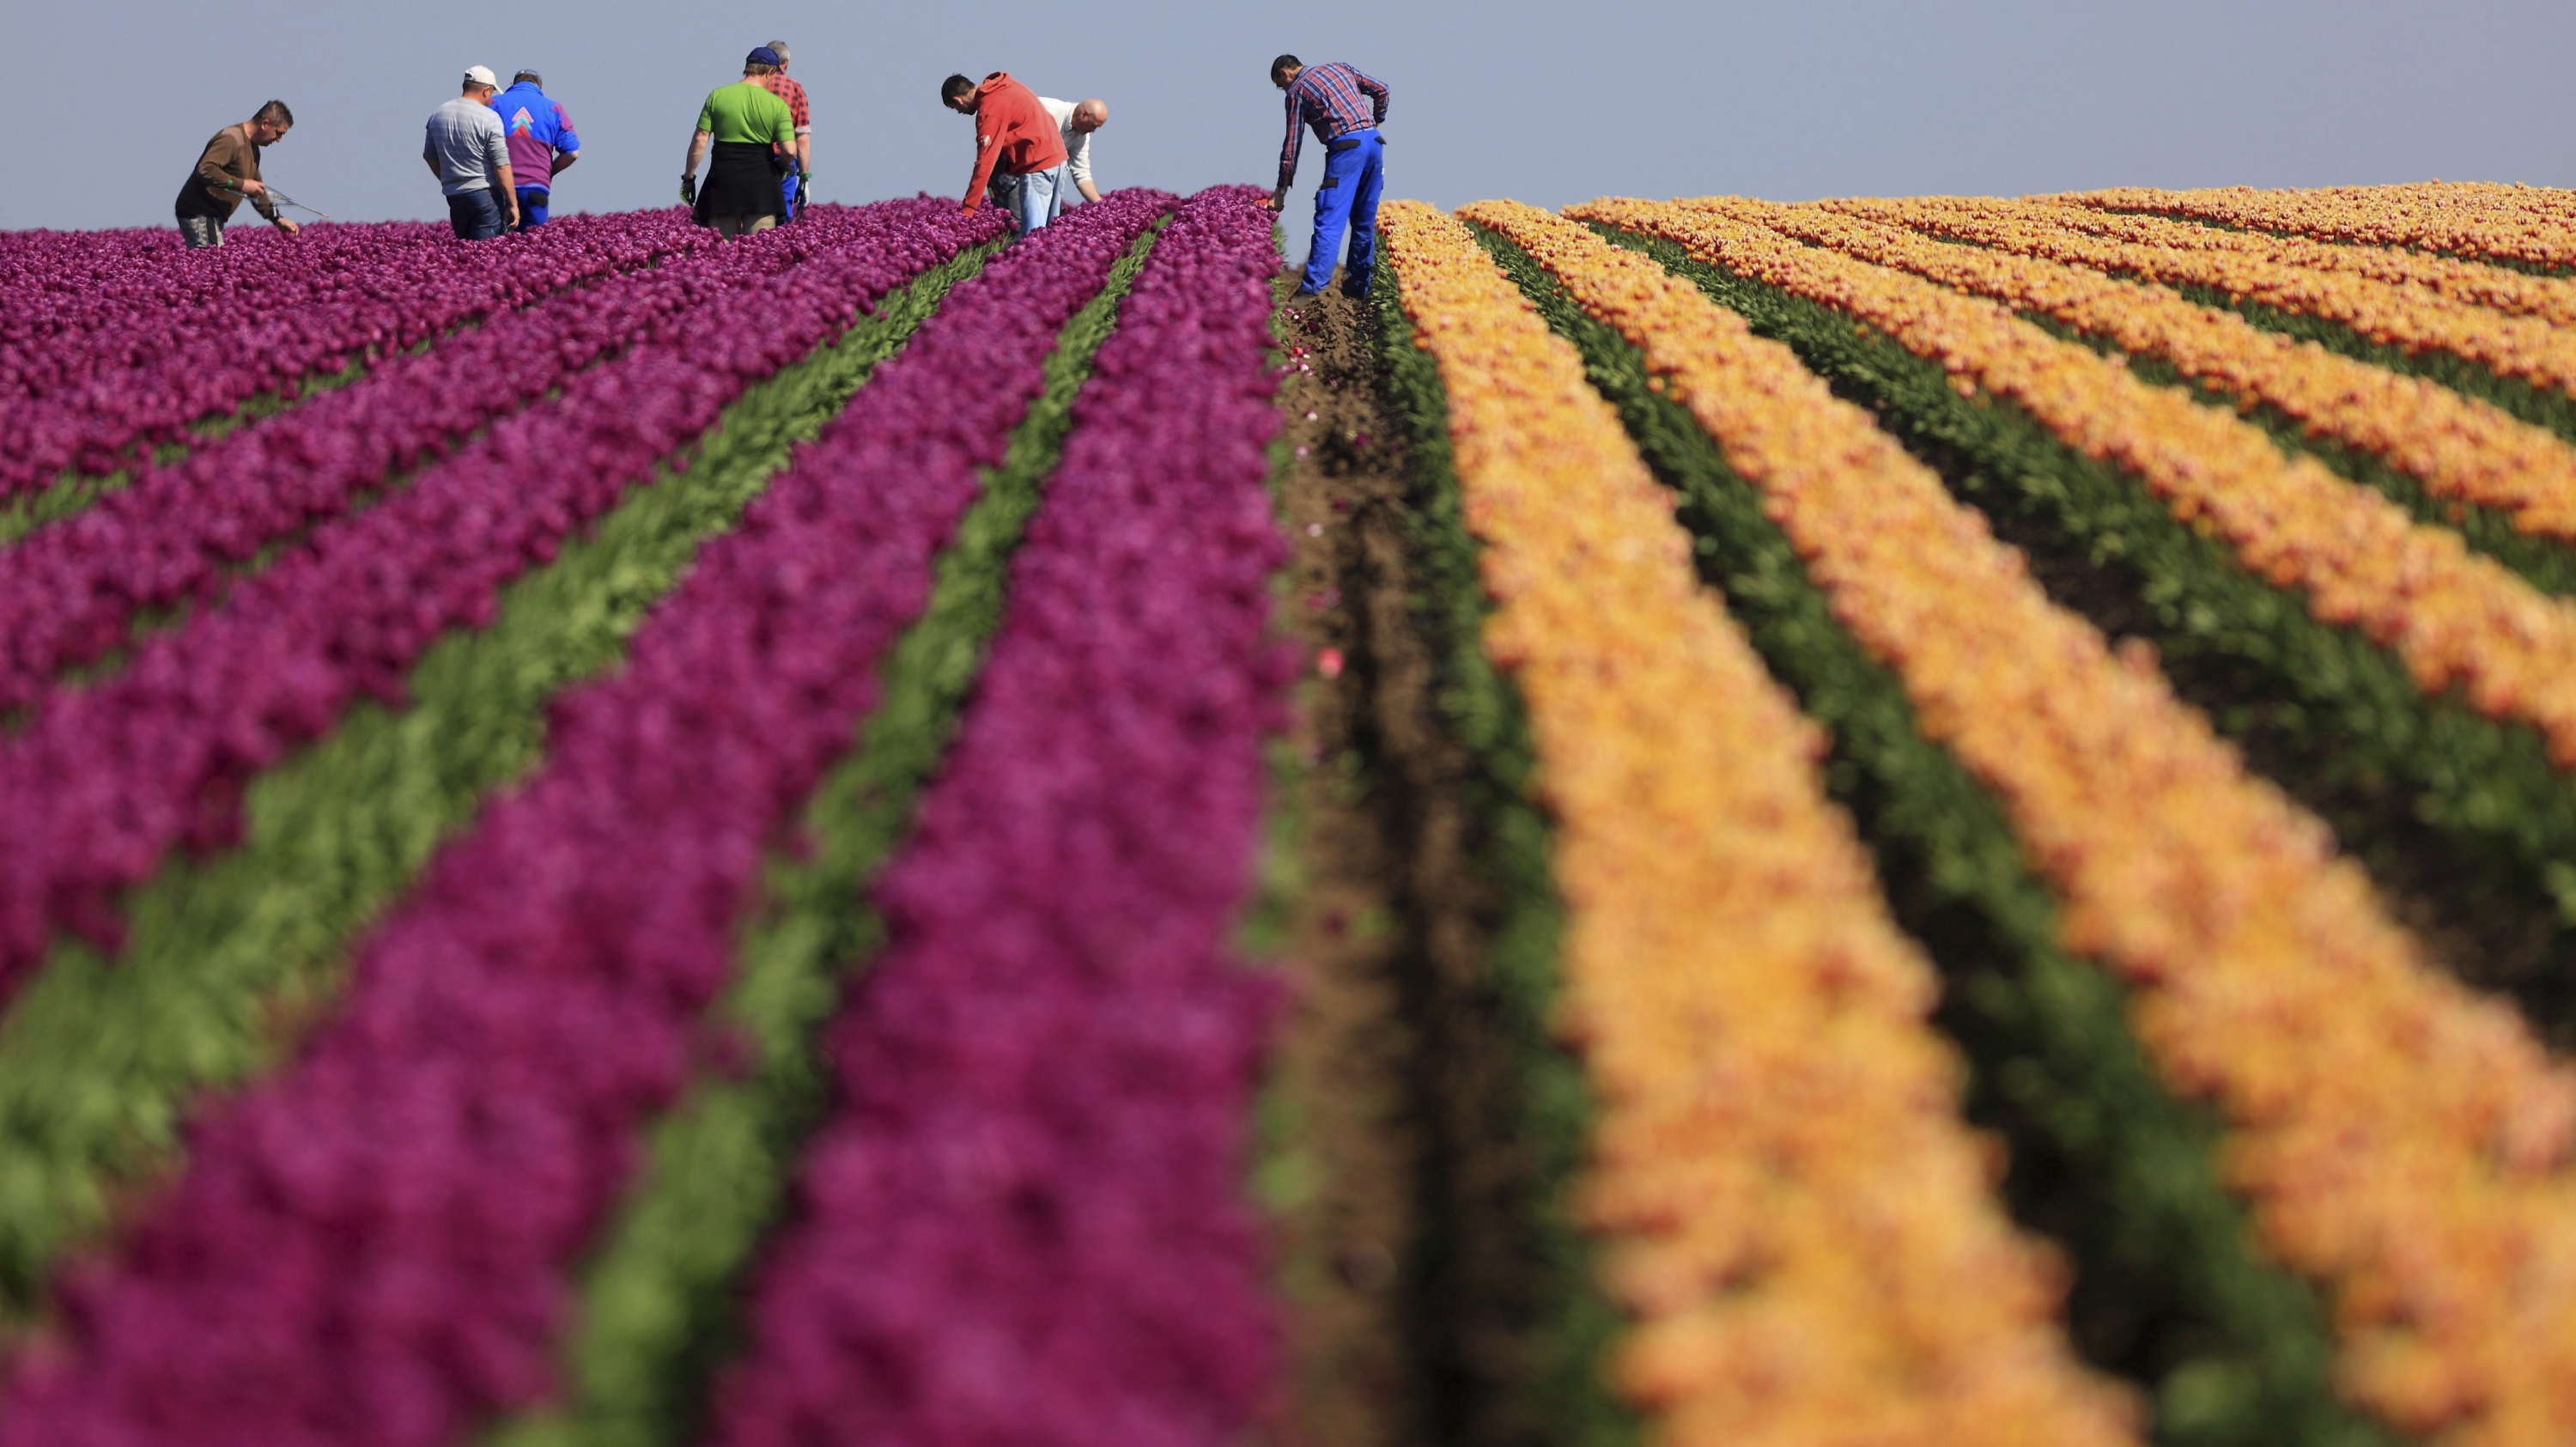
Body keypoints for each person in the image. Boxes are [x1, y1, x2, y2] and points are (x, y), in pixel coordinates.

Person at [1266, 55, 1388, 299]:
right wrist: (1377, 120)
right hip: (1374, 143)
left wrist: (1280, 190)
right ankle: (1359, 289)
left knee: (1330, 219)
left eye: (1281, 85)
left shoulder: (1297, 92)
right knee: (1363, 220)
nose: (1284, 90)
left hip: (1346, 149)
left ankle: (1311, 293)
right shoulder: (1340, 67)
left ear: (1285, 74)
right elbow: (1381, 90)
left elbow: (1292, 143)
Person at [683, 48, 797, 237]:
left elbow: (700, 138)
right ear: (769, 71)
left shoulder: (717, 96)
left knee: (721, 256)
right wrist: (784, 167)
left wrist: (689, 177)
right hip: (762, 190)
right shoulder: (777, 105)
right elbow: (790, 150)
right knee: (759, 254)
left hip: (722, 186)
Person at [942, 72, 1068, 240]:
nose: (959, 112)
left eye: (955, 108)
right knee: (1052, 235)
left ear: (958, 100)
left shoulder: (990, 109)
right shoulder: (1008, 86)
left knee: (1033, 238)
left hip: (1037, 166)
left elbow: (985, 162)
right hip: (1058, 160)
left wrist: (968, 209)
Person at [174, 100, 301, 248]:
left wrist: (277, 218)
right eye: (278, 133)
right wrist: (241, 184)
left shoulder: (253, 149)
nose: (278, 139)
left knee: (213, 263)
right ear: (265, 124)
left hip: (213, 216)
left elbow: (256, 189)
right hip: (199, 212)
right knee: (210, 262)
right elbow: (205, 169)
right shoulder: (231, 138)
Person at [425, 65, 519, 240]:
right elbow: (501, 166)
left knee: (464, 254)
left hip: (454, 196)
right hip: (485, 195)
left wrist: (449, 178)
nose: (491, 100)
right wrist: (513, 204)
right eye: (491, 94)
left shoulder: (438, 114)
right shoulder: (489, 118)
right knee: (484, 254)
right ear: (485, 90)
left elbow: (429, 156)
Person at [489, 70, 580, 230]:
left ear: (512, 85)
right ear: (540, 89)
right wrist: (549, 172)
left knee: (496, 247)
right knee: (534, 245)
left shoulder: (494, 104)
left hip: (499, 187)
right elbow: (572, 153)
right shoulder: (553, 109)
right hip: (536, 186)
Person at [752, 40, 812, 220]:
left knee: (755, 213)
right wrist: (804, 178)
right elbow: (802, 137)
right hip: (784, 157)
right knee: (783, 214)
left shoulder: (751, 87)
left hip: (753, 157)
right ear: (786, 63)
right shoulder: (795, 88)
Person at [1036, 96, 1108, 204]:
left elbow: (1082, 173)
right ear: (1083, 115)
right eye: (1093, 125)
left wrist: (1100, 205)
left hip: (1041, 180)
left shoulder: (1082, 137)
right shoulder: (1048, 109)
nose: (1093, 131)